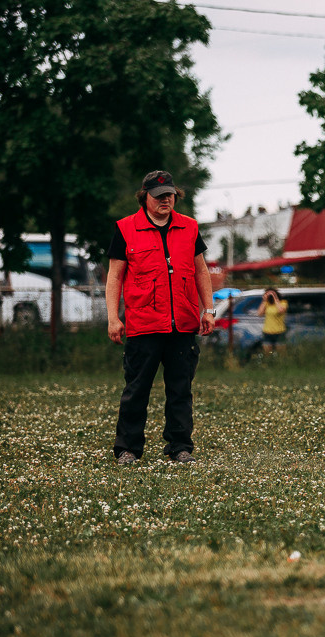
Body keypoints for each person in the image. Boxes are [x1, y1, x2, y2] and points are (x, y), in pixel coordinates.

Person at [106, 170, 215, 464]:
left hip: (183, 322)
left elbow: (201, 270)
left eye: (170, 194)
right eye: (159, 196)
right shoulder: (126, 228)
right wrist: (113, 318)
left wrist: (209, 309)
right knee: (136, 389)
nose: (166, 200)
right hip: (143, 324)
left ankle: (180, 447)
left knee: (180, 389)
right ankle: (127, 448)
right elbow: (115, 276)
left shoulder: (190, 227)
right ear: (145, 198)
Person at [257, 286, 287, 354]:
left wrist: (275, 297)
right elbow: (259, 313)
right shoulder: (266, 303)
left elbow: (281, 310)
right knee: (268, 353)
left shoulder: (283, 303)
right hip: (267, 332)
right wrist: (264, 300)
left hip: (279, 332)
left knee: (281, 354)